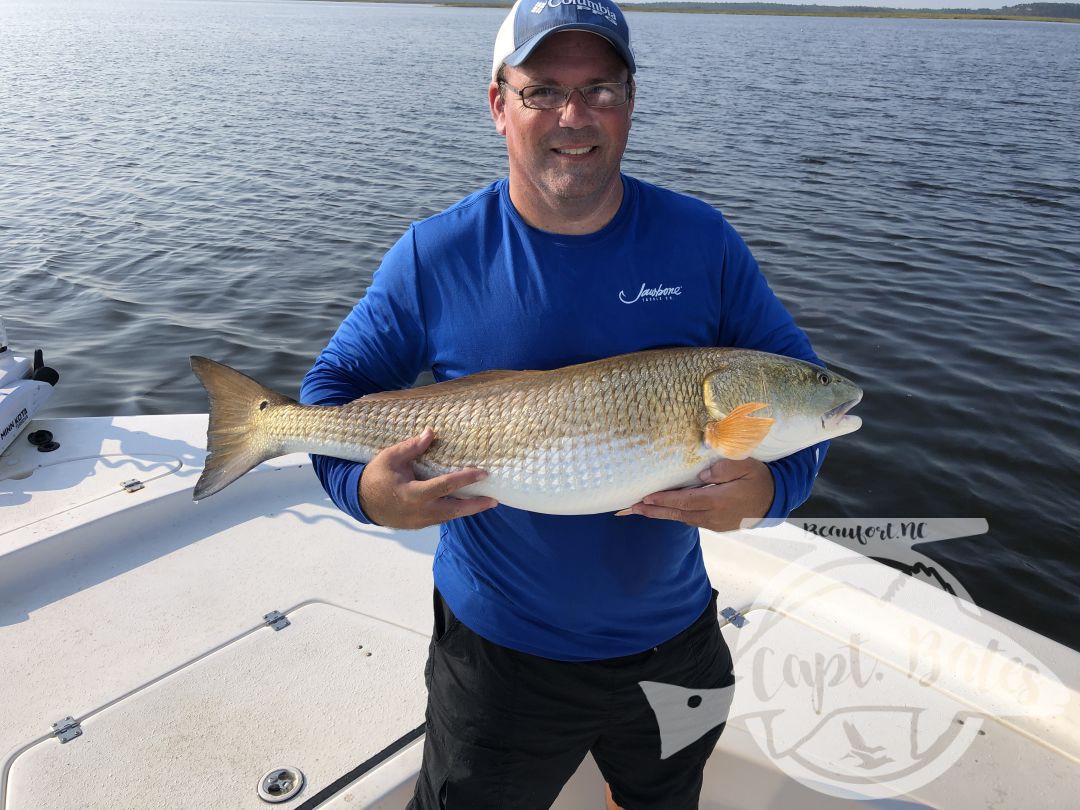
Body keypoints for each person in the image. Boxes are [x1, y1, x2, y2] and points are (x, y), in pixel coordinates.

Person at [300, 1, 828, 806]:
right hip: (499, 660)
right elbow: (324, 401)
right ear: (498, 104)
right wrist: (367, 496)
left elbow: (801, 387)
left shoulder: (701, 240)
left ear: (631, 100)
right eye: (543, 89)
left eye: (601, 90)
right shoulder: (434, 255)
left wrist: (773, 490)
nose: (574, 118)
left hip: (676, 639)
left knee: (661, 797)